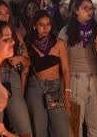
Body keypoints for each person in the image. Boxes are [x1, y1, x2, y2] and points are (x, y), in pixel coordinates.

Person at [58, 0, 97, 137]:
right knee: (74, 127)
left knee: (96, 127)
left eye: (91, 8)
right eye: (85, 8)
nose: (89, 11)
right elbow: (62, 63)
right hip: (75, 81)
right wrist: (65, 89)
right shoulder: (66, 32)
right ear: (76, 10)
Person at [0, 0, 32, 137]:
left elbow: (28, 61)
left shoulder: (16, 35)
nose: (3, 16)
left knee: (24, 128)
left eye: (6, 13)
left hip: (13, 79)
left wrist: (20, 59)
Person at [25, 9, 70, 137]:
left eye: (48, 24)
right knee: (39, 129)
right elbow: (23, 69)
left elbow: (66, 70)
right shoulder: (28, 44)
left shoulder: (59, 43)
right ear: (34, 26)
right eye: (41, 24)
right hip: (35, 88)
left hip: (55, 87)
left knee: (61, 129)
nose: (45, 28)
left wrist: (67, 93)